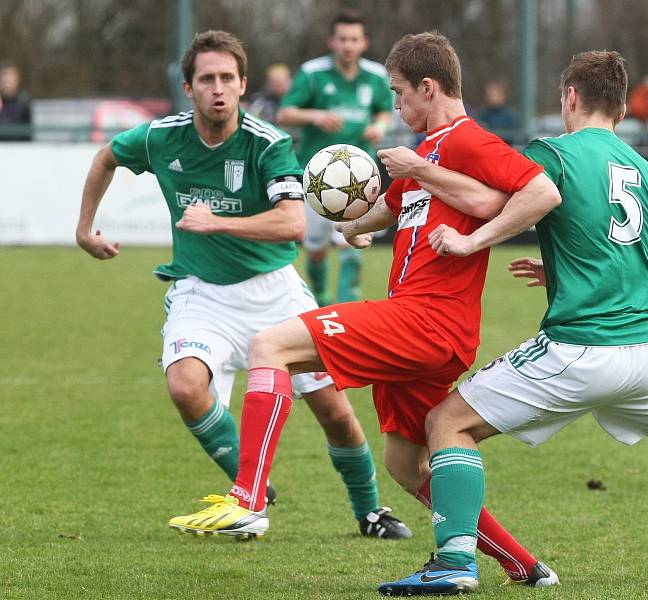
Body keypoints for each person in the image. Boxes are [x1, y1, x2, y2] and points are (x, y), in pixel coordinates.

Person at [380, 50, 648, 595]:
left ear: (569, 98)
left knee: (446, 424)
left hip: (579, 347)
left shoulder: (551, 153)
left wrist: (437, 193)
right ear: (623, 110)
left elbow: (498, 201)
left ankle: (457, 562)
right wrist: (561, 269)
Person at [170, 30, 563, 587]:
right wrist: (353, 226)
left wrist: (473, 240)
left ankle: (247, 497)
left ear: (429, 88)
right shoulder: (428, 151)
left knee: (269, 345)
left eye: (401, 94)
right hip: (426, 328)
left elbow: (541, 192)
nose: (397, 106)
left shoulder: (466, 142)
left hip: (426, 319)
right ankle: (524, 566)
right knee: (406, 464)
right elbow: (395, 206)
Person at [75, 30, 410, 541]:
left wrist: (218, 222)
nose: (217, 88)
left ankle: (370, 511)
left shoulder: (267, 142)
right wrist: (84, 228)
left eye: (226, 78)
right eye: (206, 78)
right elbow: (107, 158)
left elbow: (293, 224)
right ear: (188, 88)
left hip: (273, 290)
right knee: (186, 386)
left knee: (334, 411)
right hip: (200, 290)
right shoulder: (160, 137)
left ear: (243, 84)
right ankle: (251, 488)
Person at [276, 9, 393, 307]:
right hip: (316, 178)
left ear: (364, 42)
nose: (348, 45)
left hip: (360, 177)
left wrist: (379, 125)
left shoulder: (377, 76)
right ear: (331, 41)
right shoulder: (312, 73)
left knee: (352, 245)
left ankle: (345, 311)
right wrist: (315, 115)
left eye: (354, 39)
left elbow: (383, 109)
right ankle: (321, 301)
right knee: (315, 250)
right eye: (342, 38)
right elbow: (284, 112)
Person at [0, 62, 32, 141]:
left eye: (10, 78)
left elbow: (27, 133)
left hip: (18, 149)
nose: (7, 82)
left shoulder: (24, 103)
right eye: (4, 78)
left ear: (17, 80)